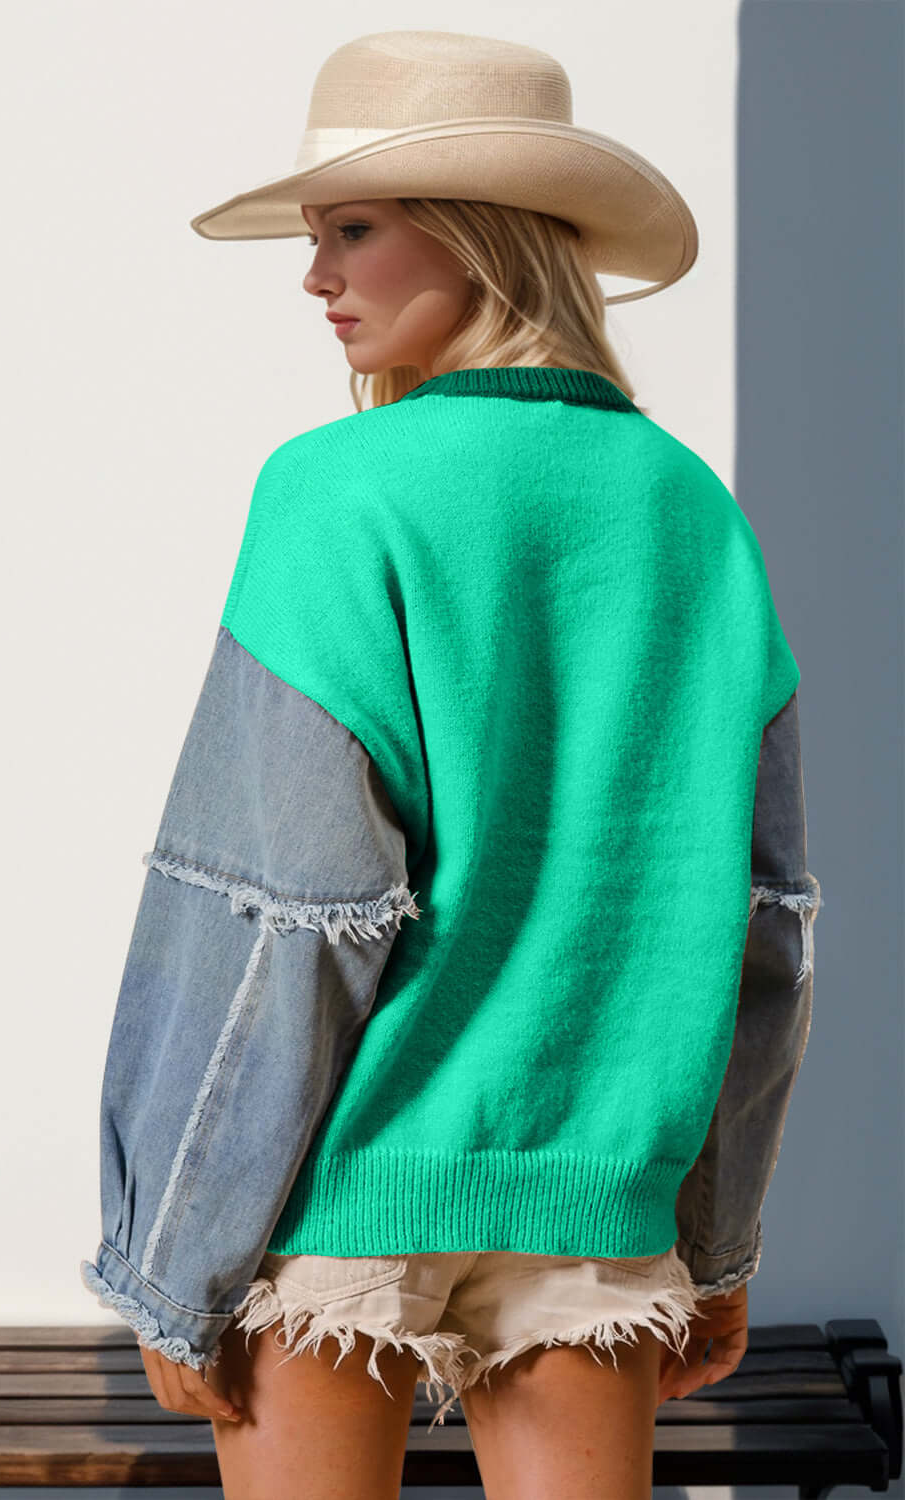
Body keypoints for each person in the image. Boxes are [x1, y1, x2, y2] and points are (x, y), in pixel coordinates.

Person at [80, 30, 822, 1500]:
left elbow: (279, 906)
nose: (316, 280)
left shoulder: (336, 490)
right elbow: (764, 917)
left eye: (350, 228)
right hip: (591, 1191)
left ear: (484, 230)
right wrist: (717, 1236)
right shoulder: (691, 510)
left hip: (340, 1189)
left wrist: (175, 1248)